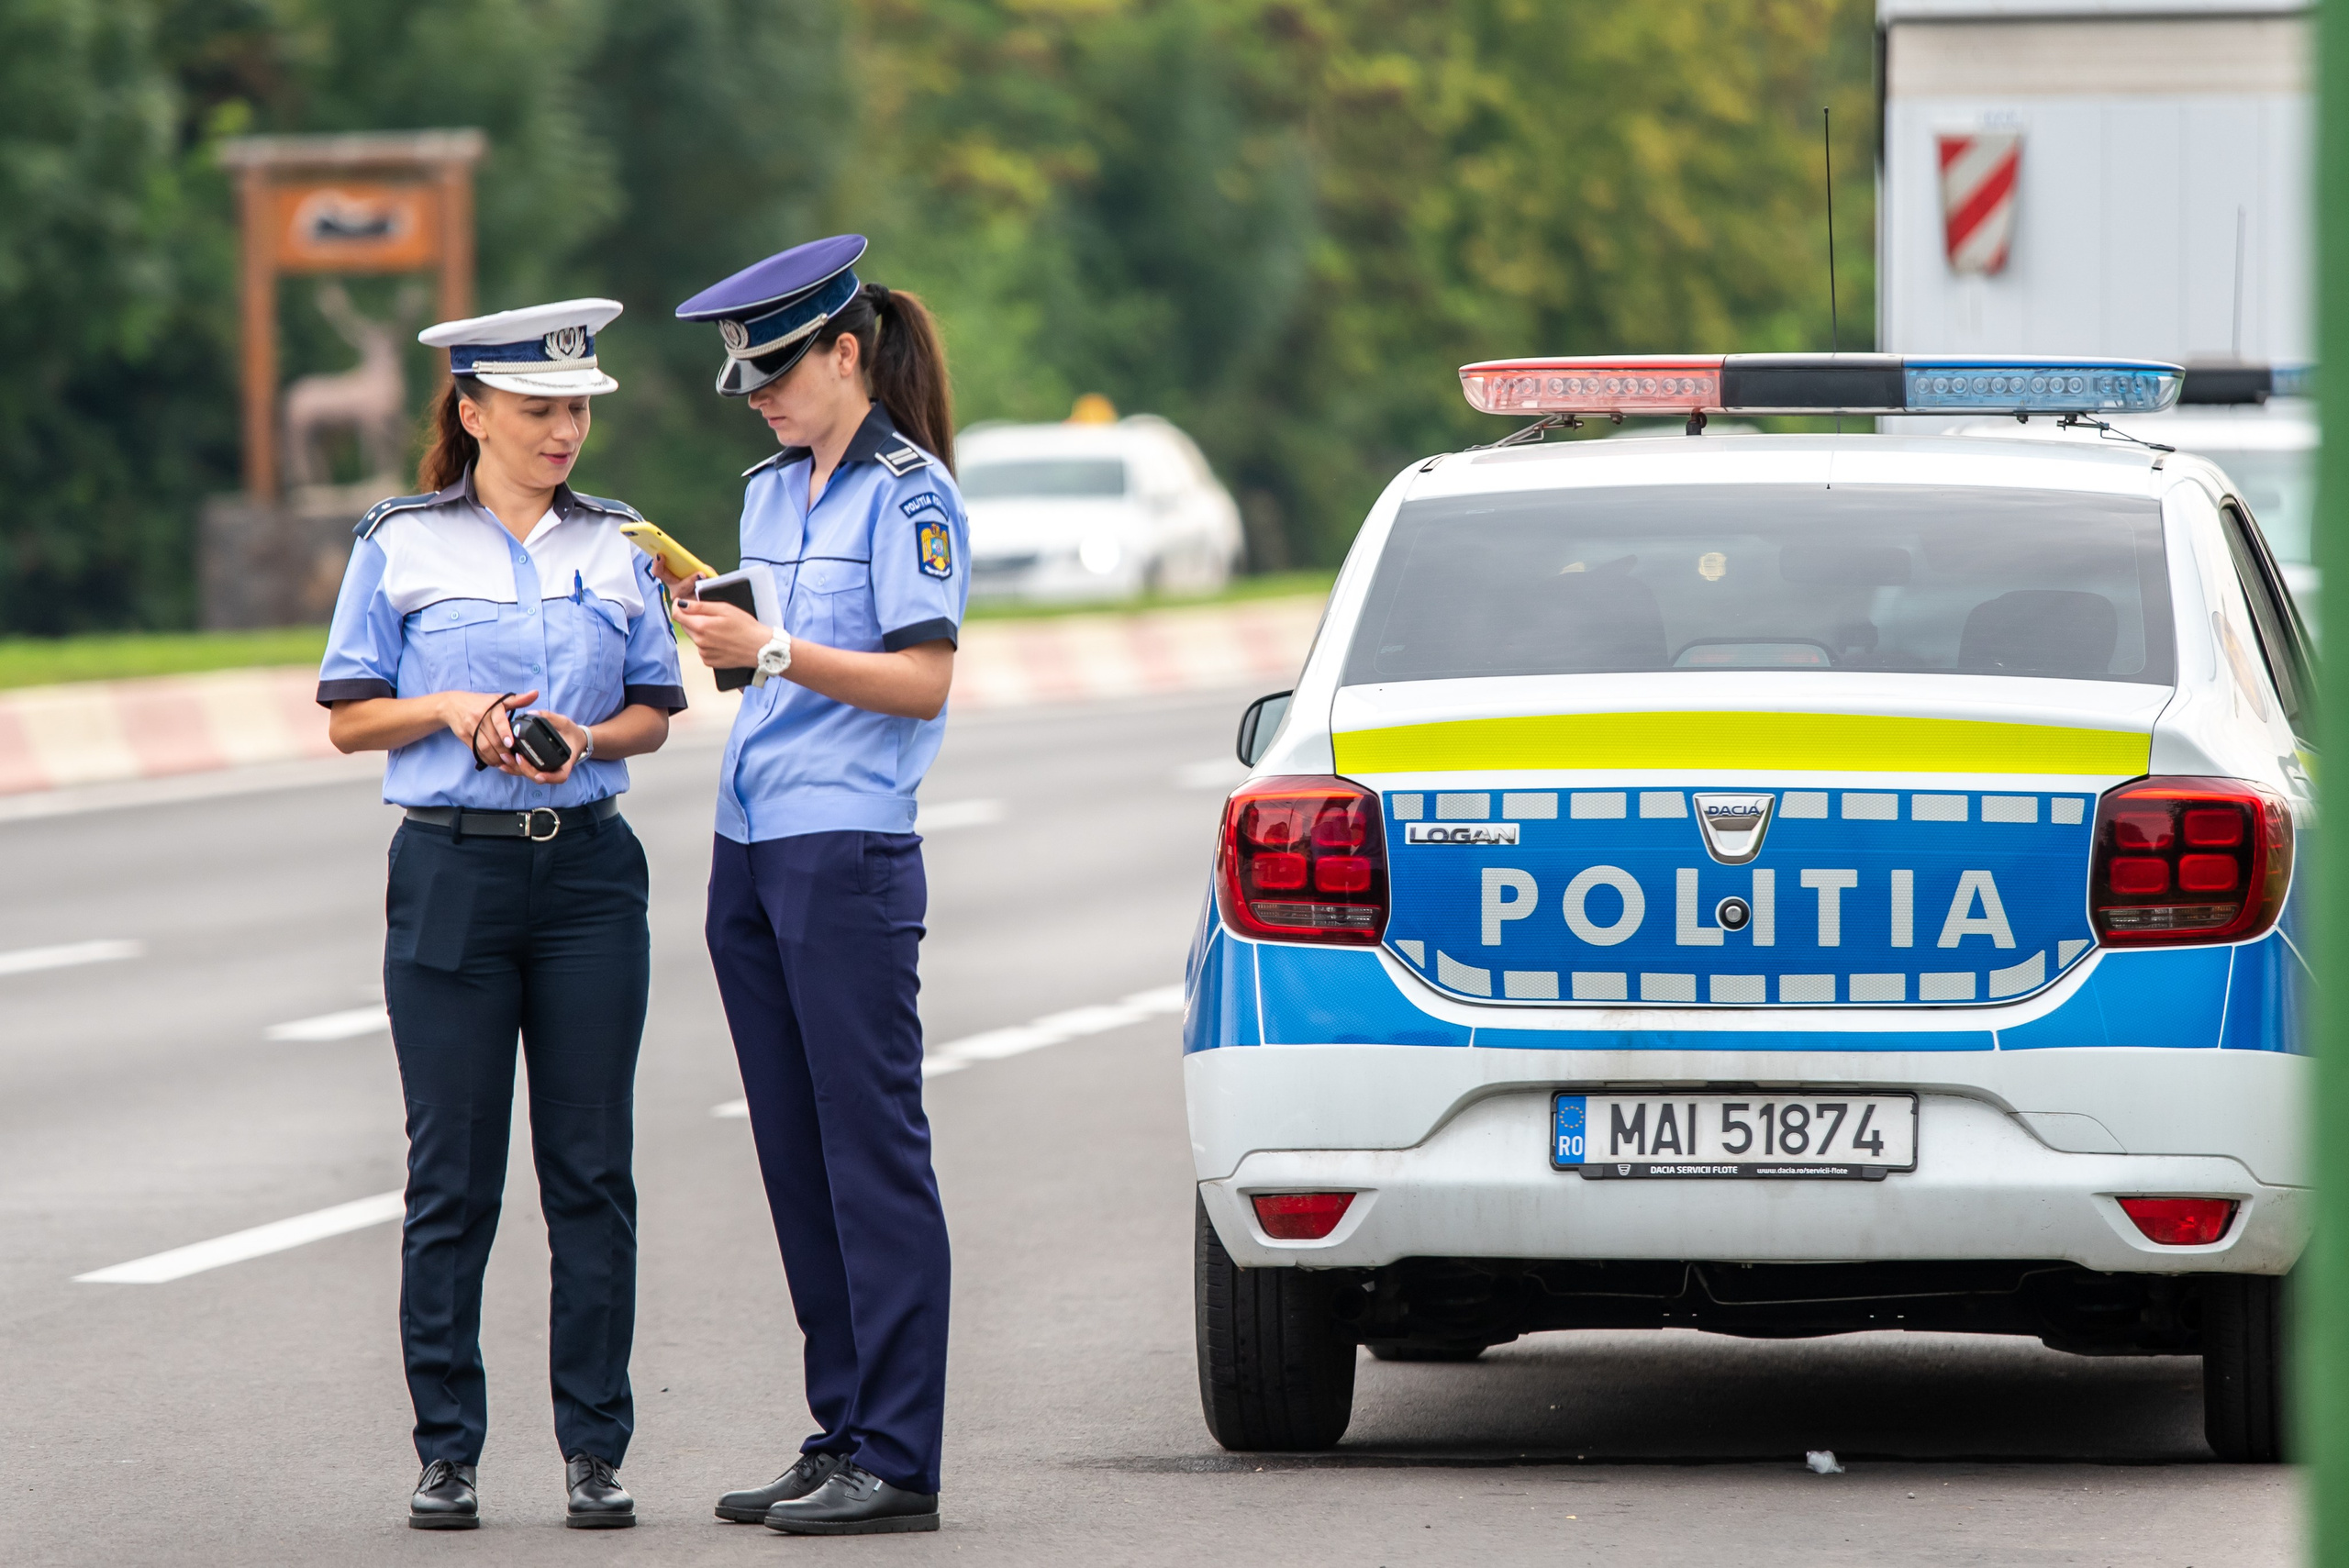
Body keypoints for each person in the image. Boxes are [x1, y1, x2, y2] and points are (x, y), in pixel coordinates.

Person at [315, 299, 686, 1531]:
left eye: (577, 409)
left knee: (591, 1172)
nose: (564, 431)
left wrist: (590, 734)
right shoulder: (404, 542)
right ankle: (448, 1448)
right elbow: (351, 711)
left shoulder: (621, 546)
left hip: (587, 872)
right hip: (452, 873)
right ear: (473, 413)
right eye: (539, 411)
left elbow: (654, 706)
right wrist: (454, 707)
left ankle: (594, 1447)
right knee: (453, 1176)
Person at [664, 235, 966, 1537]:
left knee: (872, 1153)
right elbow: (773, 675)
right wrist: (718, 628)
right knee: (795, 1151)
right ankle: (839, 1423)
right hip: (753, 835)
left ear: (850, 352)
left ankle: (899, 1452)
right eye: (752, 378)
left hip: (846, 846)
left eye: (781, 369)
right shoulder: (771, 490)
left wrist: (775, 641)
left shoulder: (910, 495)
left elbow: (923, 677)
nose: (767, 395)